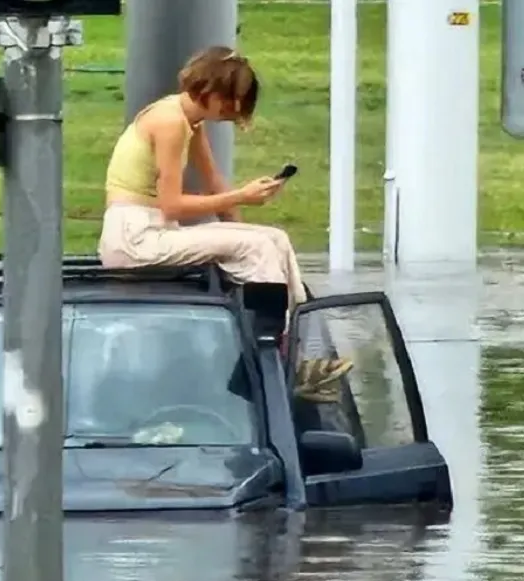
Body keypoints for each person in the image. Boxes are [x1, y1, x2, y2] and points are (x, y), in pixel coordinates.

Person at [98, 46, 352, 395]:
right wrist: (242, 197)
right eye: (234, 100)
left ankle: (298, 353)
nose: (235, 111)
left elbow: (216, 185)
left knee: (273, 239)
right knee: (257, 246)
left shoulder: (190, 122)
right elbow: (172, 205)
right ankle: (264, 367)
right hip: (134, 238)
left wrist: (241, 220)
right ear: (214, 91)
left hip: (153, 230)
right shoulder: (169, 122)